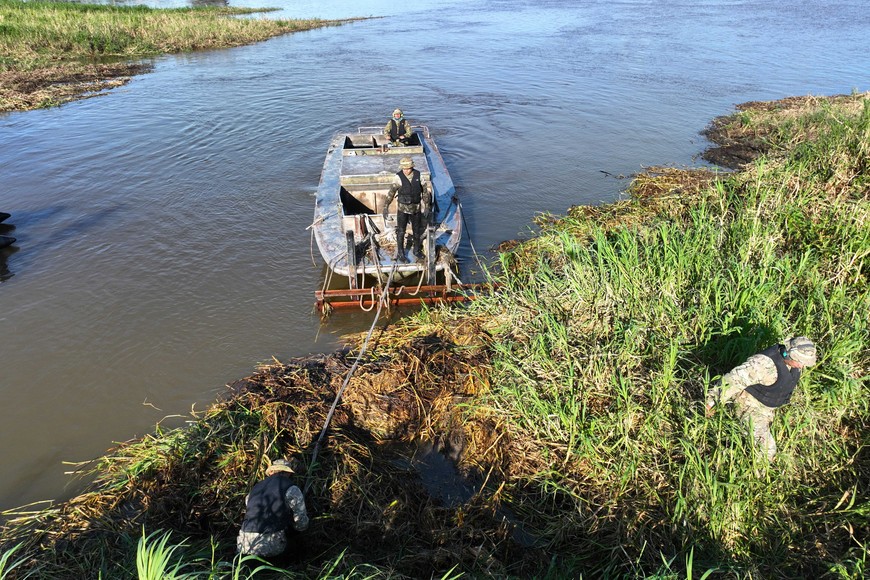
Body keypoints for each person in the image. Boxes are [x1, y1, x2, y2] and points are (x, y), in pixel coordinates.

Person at [705, 336, 817, 461]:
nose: (802, 366)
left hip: (766, 410)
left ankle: (740, 452)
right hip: (749, 406)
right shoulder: (762, 364)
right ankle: (755, 470)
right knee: (767, 449)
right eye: (800, 361)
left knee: (754, 441)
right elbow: (733, 380)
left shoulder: (794, 364)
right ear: (789, 355)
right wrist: (711, 403)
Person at [237, 458, 309, 558]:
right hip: (270, 546)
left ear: (271, 472)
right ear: (288, 473)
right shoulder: (291, 488)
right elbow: (301, 521)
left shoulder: (254, 489)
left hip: (244, 544)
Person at [382, 156, 432, 263]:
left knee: (417, 230)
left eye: (408, 168)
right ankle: (401, 253)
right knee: (401, 231)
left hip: (416, 209)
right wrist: (385, 207)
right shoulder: (398, 177)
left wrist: (427, 206)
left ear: (412, 167)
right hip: (402, 209)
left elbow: (425, 192)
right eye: (404, 169)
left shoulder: (419, 176)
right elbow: (391, 193)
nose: (406, 171)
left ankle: (416, 250)